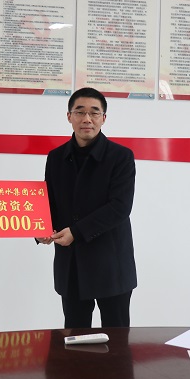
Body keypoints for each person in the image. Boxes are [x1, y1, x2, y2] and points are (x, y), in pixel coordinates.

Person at [36, 87, 137, 328]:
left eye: (94, 112)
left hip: (110, 263)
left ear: (104, 118)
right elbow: (48, 202)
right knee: (74, 335)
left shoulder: (121, 157)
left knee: (116, 337)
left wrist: (77, 232)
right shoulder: (56, 157)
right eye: (80, 112)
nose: (87, 119)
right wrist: (41, 228)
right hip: (71, 264)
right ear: (69, 116)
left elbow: (120, 207)